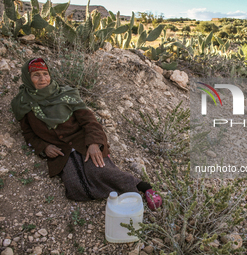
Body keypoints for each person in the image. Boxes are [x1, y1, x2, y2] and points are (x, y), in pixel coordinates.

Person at [11, 58, 162, 210]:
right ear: (28, 78)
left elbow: (90, 122)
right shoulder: (23, 103)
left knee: (99, 170)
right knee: (75, 187)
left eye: (45, 73)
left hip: (82, 140)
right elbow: (28, 133)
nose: (42, 79)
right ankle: (114, 193)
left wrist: (94, 143)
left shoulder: (66, 94)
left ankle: (143, 187)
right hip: (61, 150)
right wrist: (44, 147)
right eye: (36, 75)